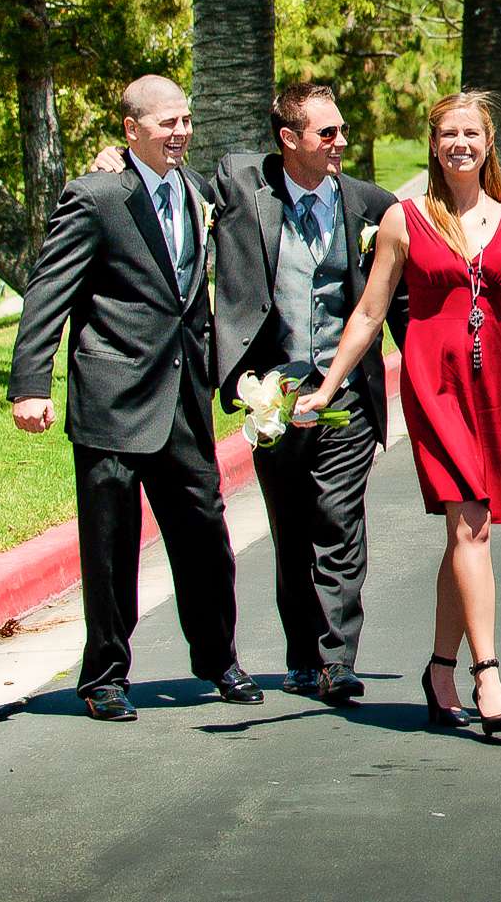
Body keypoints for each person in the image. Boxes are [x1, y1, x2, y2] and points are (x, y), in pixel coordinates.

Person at [296, 91, 501, 738]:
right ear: (434, 144)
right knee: (473, 525)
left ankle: (440, 668)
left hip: (494, 388)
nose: (460, 142)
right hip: (433, 385)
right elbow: (370, 312)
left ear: (489, 143)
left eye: (472, 132)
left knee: (466, 531)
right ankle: (486, 671)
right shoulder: (405, 220)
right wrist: (327, 388)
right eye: (448, 133)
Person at [8, 75, 260, 721]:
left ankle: (219, 658)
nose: (179, 133)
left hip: (182, 398)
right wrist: (31, 383)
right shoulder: (95, 197)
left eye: (185, 121)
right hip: (112, 398)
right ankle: (105, 676)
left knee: (204, 531)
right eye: (165, 123)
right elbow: (47, 292)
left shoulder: (198, 190)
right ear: (131, 130)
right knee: (110, 541)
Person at [213, 85, 407, 701]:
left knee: (340, 521)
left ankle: (337, 660)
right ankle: (302, 652)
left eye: (341, 130)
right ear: (289, 140)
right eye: (326, 134)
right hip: (276, 395)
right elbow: (178, 176)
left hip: (345, 395)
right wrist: (116, 160)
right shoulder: (248, 191)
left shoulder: (372, 206)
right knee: (291, 525)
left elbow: (398, 305)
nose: (340, 142)